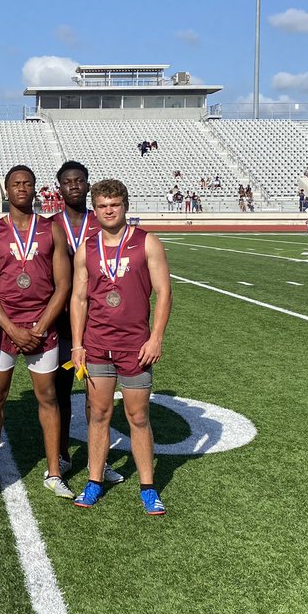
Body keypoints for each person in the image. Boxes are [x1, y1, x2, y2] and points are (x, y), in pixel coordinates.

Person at [69, 179, 173, 515]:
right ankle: (94, 480)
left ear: (125, 206)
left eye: (114, 204)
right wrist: (77, 345)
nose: (109, 211)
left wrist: (156, 337)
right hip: (97, 345)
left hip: (135, 347)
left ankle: (148, 487)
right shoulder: (87, 248)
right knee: (99, 414)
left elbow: (164, 292)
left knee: (138, 416)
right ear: (94, 209)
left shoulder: (147, 242)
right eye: (102, 206)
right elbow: (79, 298)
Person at [0, 165, 73, 500]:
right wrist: (10, 327)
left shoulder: (52, 229)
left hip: (42, 326)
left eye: (28, 183)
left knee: (48, 396)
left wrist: (41, 326)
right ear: (6, 190)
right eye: (16, 183)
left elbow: (63, 286)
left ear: (35, 189)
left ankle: (54, 472)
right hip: (3, 327)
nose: (22, 188)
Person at [51, 160, 122, 484]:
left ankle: (99, 460)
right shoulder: (50, 225)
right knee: (61, 392)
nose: (74, 186)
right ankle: (62, 454)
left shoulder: (103, 222)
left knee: (97, 398)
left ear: (87, 184)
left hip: (99, 322)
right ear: (60, 188)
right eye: (68, 182)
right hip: (62, 323)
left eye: (79, 180)